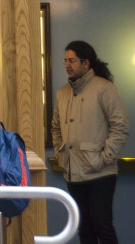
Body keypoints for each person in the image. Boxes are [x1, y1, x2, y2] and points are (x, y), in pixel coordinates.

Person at [51, 41, 129, 244]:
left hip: (100, 173)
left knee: (102, 226)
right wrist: (61, 155)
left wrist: (103, 158)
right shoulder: (62, 93)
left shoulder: (104, 88)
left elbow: (120, 127)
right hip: (73, 172)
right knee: (83, 228)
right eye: (65, 61)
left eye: (72, 60)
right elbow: (56, 128)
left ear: (85, 64)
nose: (67, 65)